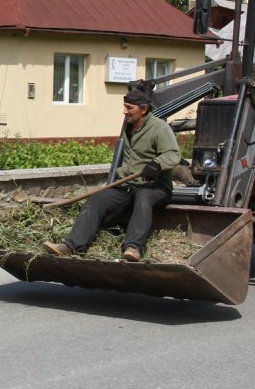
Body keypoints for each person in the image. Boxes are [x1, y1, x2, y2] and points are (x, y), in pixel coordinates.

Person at [44, 87, 180, 261]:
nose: (125, 111)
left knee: (143, 198)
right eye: (124, 106)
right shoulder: (129, 126)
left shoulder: (160, 128)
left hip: (155, 186)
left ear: (144, 109)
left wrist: (156, 164)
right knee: (97, 199)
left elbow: (173, 154)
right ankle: (72, 246)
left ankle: (132, 247)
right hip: (128, 184)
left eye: (129, 107)